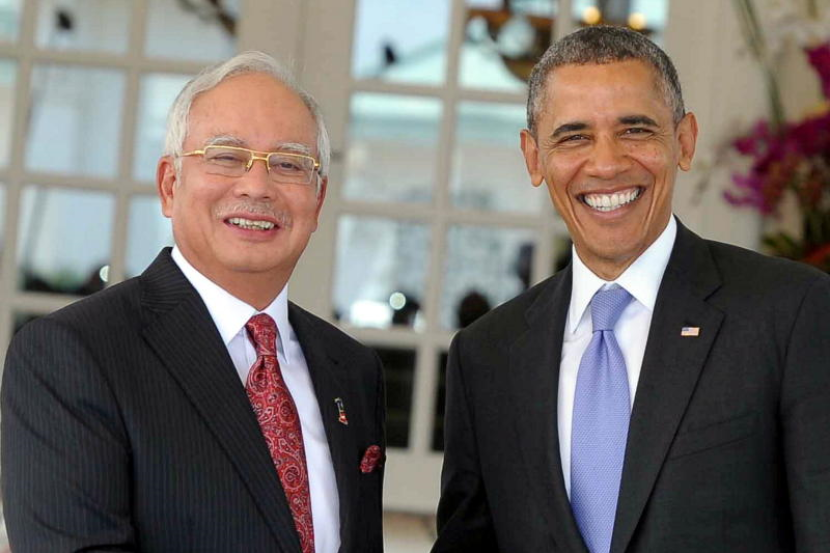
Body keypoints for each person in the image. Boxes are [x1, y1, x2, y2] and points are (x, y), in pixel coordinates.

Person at [433, 25, 830, 553]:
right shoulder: (486, 355)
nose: (606, 164)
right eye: (574, 136)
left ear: (684, 140)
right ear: (533, 158)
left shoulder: (792, 313)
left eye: (635, 130)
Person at [2, 51, 386, 553]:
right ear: (169, 185)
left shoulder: (352, 370)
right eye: (226, 156)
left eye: (289, 164)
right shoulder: (74, 354)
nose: (257, 186)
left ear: (318, 199)